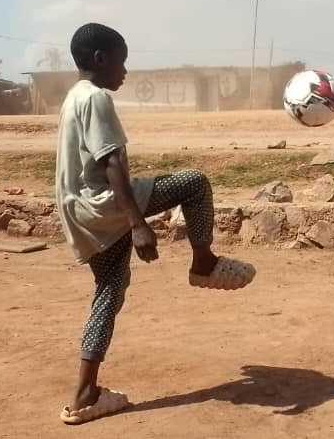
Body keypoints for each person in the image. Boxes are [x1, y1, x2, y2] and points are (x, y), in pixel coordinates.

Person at [56, 23, 256, 424]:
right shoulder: (95, 99)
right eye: (122, 61)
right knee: (194, 183)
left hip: (78, 211)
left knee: (109, 289)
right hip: (105, 204)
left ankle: (84, 394)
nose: (125, 72)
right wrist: (138, 224)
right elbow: (110, 162)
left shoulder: (72, 97)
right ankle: (203, 263)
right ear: (101, 59)